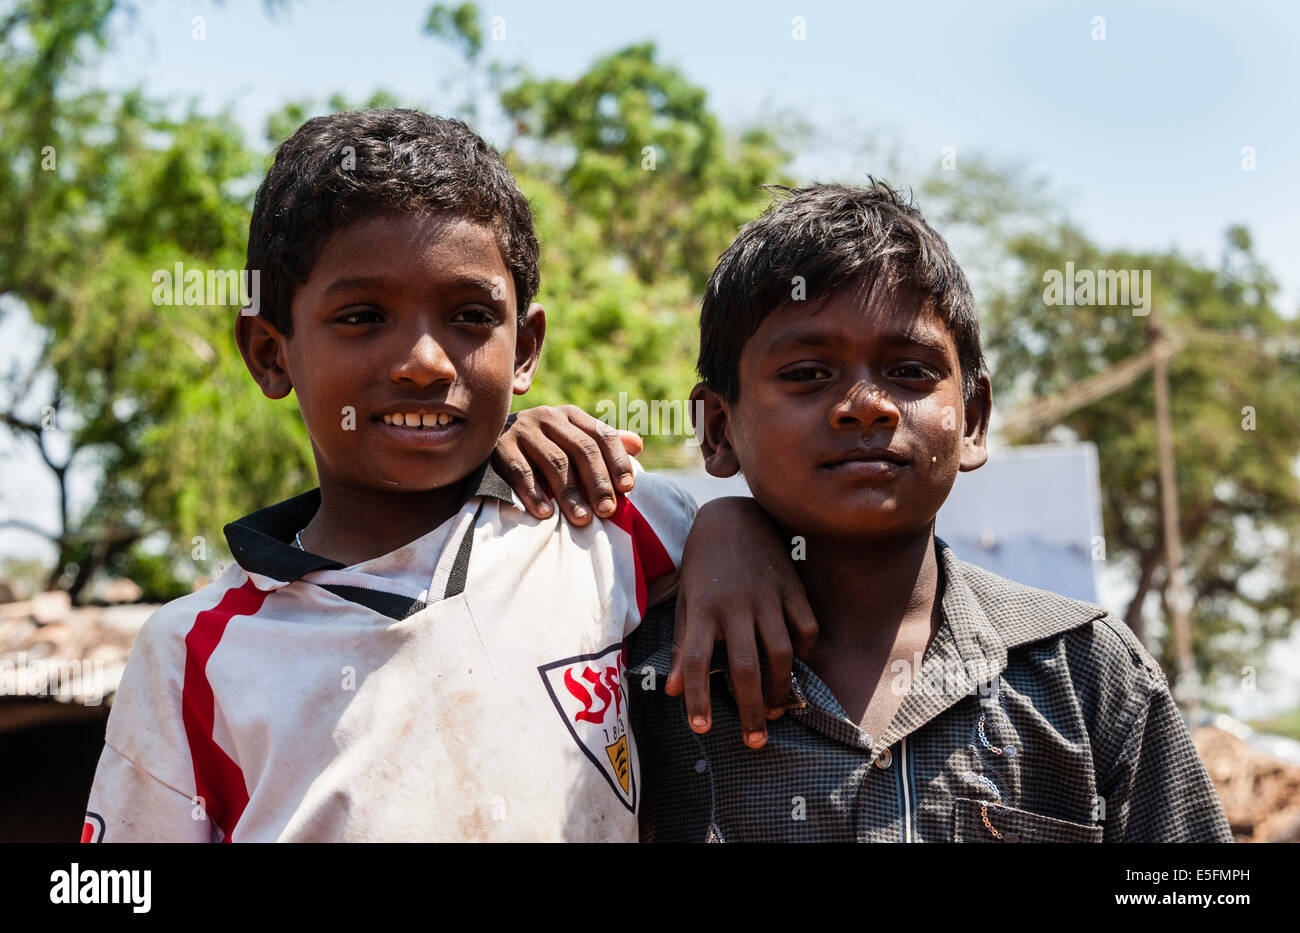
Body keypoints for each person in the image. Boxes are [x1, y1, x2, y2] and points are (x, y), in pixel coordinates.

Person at [80, 108, 785, 842]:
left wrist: (735, 524)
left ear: (526, 347)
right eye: (361, 316)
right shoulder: (194, 653)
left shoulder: (601, 523)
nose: (425, 361)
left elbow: (812, 530)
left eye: (471, 315)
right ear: (269, 352)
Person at [519, 181, 1234, 842]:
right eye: (808, 373)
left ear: (975, 418)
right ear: (717, 429)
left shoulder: (1081, 673)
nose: (867, 404)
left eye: (910, 371)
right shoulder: (640, 682)